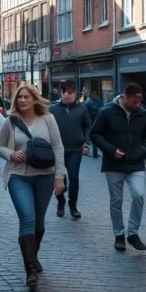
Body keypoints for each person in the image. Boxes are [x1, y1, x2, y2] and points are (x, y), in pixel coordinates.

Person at [0, 84, 66, 289]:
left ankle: (33, 255)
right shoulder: (11, 122)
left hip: (44, 176)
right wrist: (11, 154)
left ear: (35, 99)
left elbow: (58, 147)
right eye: (19, 98)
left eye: (26, 97)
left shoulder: (48, 119)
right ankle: (30, 270)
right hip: (18, 175)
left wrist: (59, 176)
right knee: (27, 218)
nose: (22, 101)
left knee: (39, 224)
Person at [90, 84, 146, 252]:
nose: (137, 105)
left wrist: (142, 151)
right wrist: (111, 150)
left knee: (138, 195)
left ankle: (133, 233)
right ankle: (119, 234)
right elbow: (94, 134)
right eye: (134, 102)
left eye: (139, 102)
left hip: (135, 163)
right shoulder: (106, 111)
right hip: (113, 163)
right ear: (124, 97)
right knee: (116, 201)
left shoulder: (143, 114)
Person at [48, 81, 91, 219]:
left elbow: (87, 126)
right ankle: (61, 201)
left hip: (75, 148)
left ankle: (73, 206)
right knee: (60, 178)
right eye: (65, 94)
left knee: (73, 176)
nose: (68, 96)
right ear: (61, 93)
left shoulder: (82, 108)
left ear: (75, 93)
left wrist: (85, 142)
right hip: (57, 149)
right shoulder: (53, 109)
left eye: (71, 94)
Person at [85, 92, 103, 158]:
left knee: (94, 137)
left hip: (93, 121)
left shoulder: (89, 102)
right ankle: (95, 152)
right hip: (95, 121)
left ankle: (94, 153)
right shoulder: (96, 101)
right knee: (95, 137)